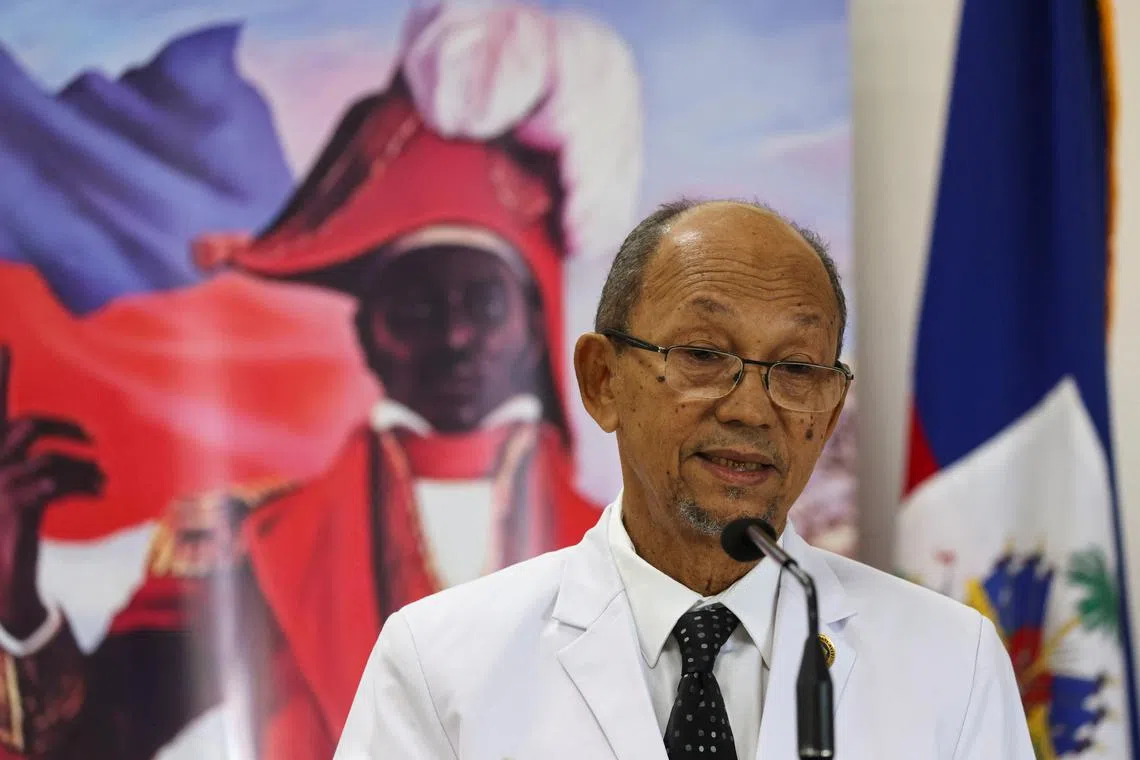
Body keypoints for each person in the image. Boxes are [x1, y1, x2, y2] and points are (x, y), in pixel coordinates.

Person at [0, 4, 640, 758]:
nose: (456, 333)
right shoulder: (253, 551)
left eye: (484, 301)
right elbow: (87, 741)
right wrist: (15, 597)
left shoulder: (638, 559)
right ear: (368, 333)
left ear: (533, 326)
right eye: (417, 304)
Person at [333, 199, 1035, 759]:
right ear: (602, 380)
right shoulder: (442, 662)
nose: (752, 408)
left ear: (828, 410)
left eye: (795, 369)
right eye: (703, 353)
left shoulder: (951, 662)